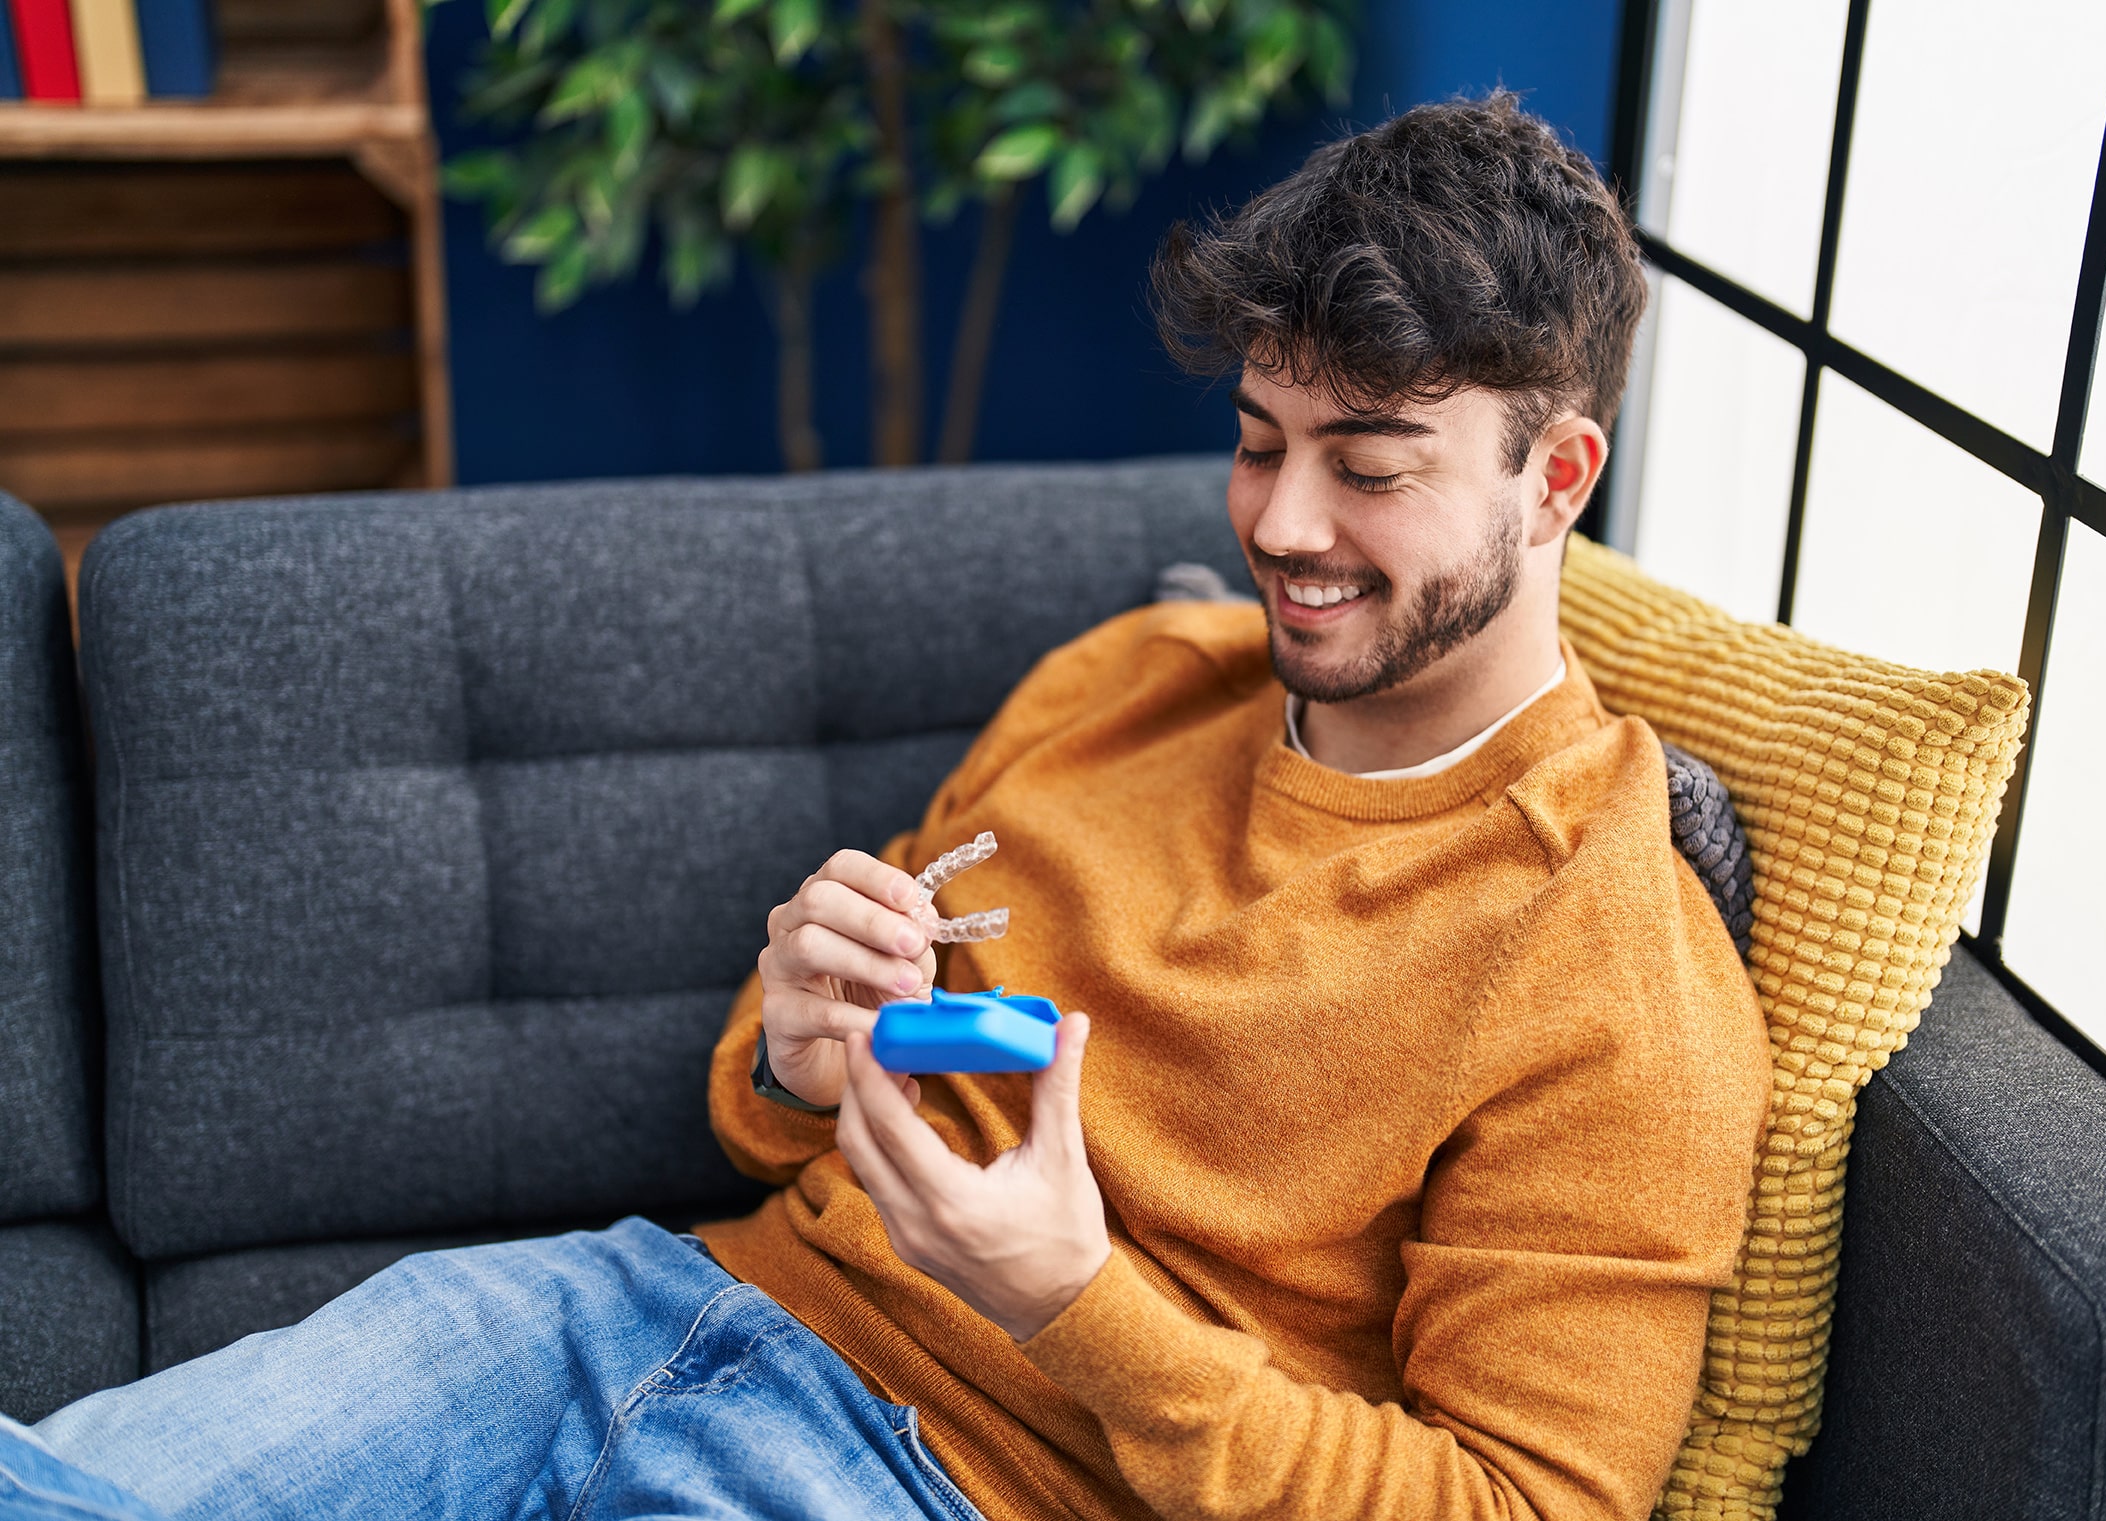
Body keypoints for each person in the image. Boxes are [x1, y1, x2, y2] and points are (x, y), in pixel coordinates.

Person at [9, 93, 1769, 1521]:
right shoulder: (1133, 677)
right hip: (643, 1308)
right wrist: (793, 1046)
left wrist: (1075, 1304)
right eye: (1256, 439)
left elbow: (1515, 1503)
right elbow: (799, 1119)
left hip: (952, 1487)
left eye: (1369, 466)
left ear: (1554, 480)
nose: (1284, 524)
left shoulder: (1615, 973)